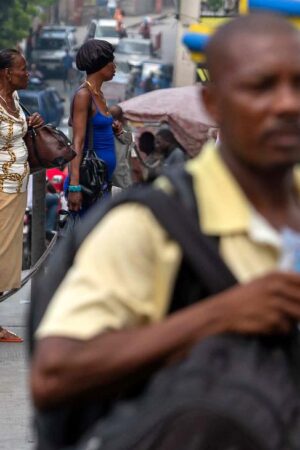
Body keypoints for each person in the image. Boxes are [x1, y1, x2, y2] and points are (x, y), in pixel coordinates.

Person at [31, 12, 300, 446]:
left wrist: (117, 126)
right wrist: (224, 313)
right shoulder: (154, 223)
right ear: (213, 104)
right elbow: (54, 372)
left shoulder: (102, 98)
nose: (288, 104)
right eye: (261, 85)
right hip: (94, 184)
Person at [0, 49, 43, 341]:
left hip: (17, 190)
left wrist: (32, 124)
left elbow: (16, 133)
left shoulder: (14, 100)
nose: (27, 73)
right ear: (6, 73)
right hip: (1, 189)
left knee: (6, 257)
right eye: (23, 69)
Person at [67, 39, 121, 213]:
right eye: (111, 61)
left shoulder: (99, 95)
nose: (115, 66)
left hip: (102, 183)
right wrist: (74, 187)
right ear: (101, 63)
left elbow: (97, 128)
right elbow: (77, 142)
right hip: (88, 183)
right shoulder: (84, 95)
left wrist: (113, 128)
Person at [109, 104, 133, 190]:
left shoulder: (126, 129)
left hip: (120, 171)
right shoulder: (105, 128)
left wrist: (119, 131)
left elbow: (128, 141)